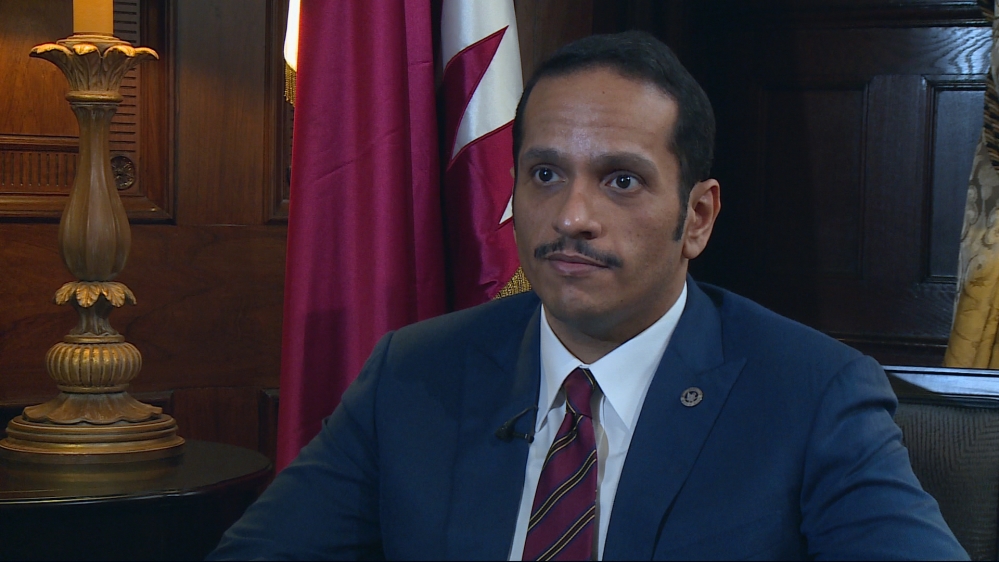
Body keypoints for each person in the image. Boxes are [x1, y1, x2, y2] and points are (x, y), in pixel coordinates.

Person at [210, 31, 967, 560]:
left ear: (697, 218)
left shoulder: (810, 393)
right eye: (544, 174)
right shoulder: (411, 375)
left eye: (621, 180)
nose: (572, 216)